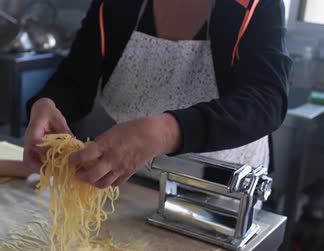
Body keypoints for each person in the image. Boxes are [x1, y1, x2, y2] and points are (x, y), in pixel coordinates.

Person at [23, 0, 291, 188]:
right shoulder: (115, 5)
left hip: (222, 189)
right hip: (131, 179)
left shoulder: (252, 5)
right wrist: (46, 104)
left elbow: (268, 100)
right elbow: (74, 79)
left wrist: (165, 132)